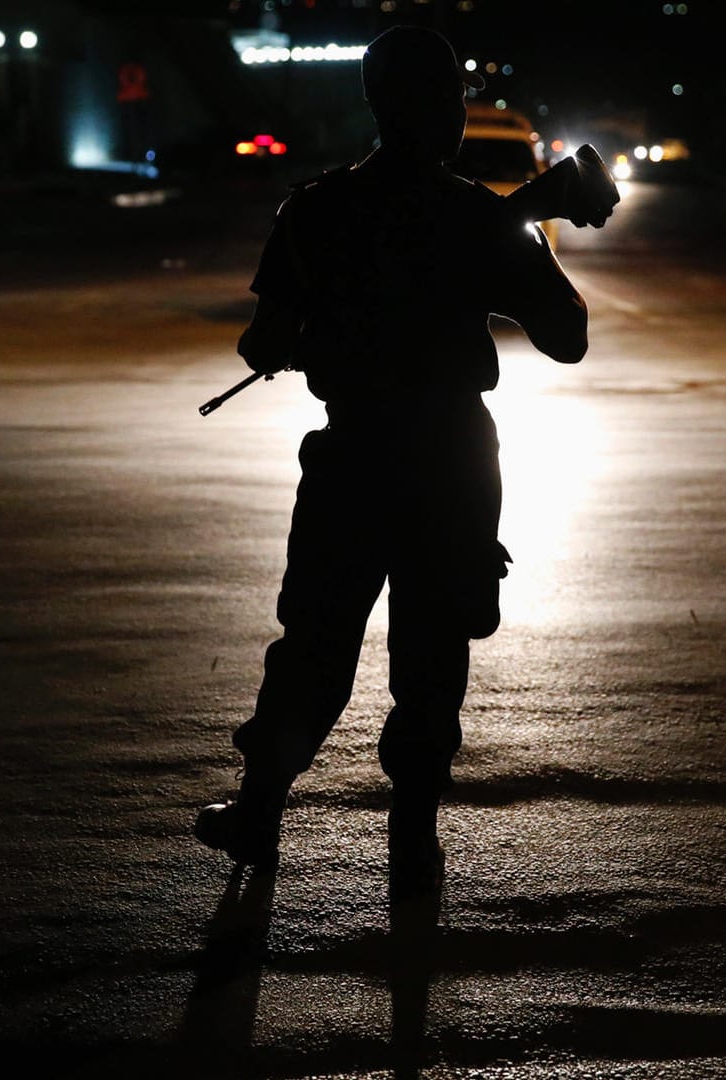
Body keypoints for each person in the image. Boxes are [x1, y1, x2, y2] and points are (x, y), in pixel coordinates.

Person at [195, 26, 593, 887]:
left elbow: (260, 341)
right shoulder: (476, 217)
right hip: (449, 460)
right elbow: (567, 339)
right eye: (451, 100)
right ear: (442, 110)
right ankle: (412, 836)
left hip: (355, 455)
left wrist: (322, 333)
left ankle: (260, 809)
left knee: (313, 644)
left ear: (375, 106)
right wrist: (509, 239)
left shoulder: (315, 211)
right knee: (432, 652)